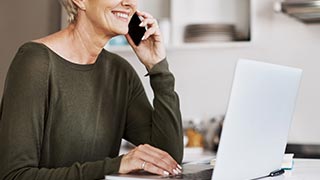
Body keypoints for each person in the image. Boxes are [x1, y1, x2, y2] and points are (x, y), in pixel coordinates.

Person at [0, 0, 183, 179]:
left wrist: (157, 67)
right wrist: (116, 165)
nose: (129, 3)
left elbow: (167, 158)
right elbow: (14, 175)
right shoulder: (35, 62)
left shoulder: (120, 72)